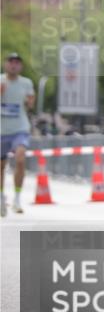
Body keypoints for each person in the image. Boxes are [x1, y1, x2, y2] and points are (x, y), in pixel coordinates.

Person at [1, 52, 35, 217]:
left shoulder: (26, 83)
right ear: (5, 64)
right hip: (1, 130)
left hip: (19, 129)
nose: (13, 65)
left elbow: (30, 104)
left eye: (17, 62)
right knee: (1, 167)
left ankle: (17, 198)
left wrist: (30, 102)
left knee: (20, 159)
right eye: (11, 62)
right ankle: (1, 197)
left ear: (20, 66)